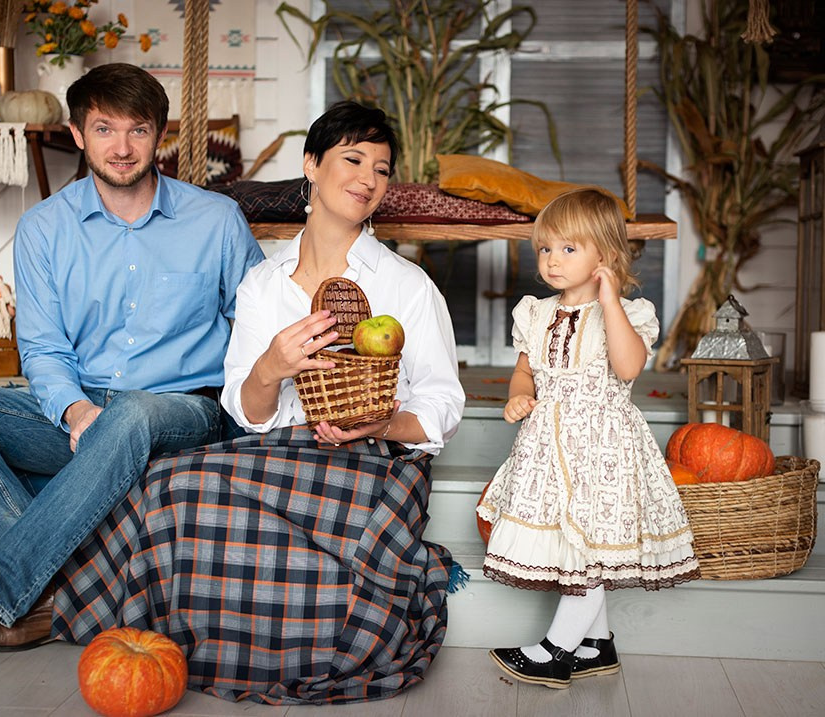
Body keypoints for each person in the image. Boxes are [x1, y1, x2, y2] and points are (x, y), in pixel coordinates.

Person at [48, 100, 467, 704]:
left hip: (374, 464)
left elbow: (442, 403)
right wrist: (272, 366)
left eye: (381, 168)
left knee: (176, 483)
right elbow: (247, 412)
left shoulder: (404, 285)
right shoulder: (263, 283)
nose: (368, 179)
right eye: (353, 160)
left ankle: (68, 606)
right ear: (312, 166)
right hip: (277, 454)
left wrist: (380, 421)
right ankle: (129, 630)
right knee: (163, 481)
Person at [0, 63, 264, 681]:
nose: (122, 147)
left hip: (185, 408)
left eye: (138, 130)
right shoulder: (44, 228)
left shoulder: (217, 220)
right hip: (87, 411)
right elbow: (44, 350)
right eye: (104, 129)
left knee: (132, 410)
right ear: (77, 134)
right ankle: (57, 597)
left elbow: (258, 327)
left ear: (160, 136)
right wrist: (75, 411)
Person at [476, 188, 700, 689]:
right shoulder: (535, 313)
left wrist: (609, 298)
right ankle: (597, 646)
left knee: (588, 551)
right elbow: (525, 371)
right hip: (548, 448)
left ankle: (556, 650)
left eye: (569, 249)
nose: (552, 260)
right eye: (545, 249)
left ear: (607, 255)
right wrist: (518, 396)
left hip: (603, 451)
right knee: (574, 545)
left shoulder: (625, 313)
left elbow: (628, 367)